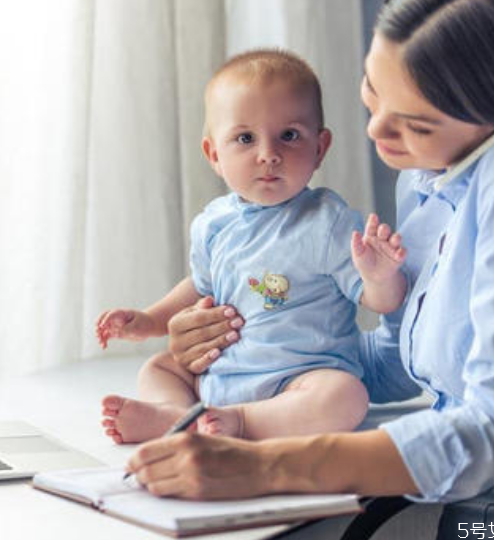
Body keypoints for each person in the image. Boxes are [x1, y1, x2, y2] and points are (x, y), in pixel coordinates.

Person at [124, 0, 494, 535]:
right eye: (372, 93)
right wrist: (260, 351)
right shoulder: (427, 177)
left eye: (416, 124)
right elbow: (407, 358)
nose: (376, 130)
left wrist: (265, 463)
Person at [95, 49, 407, 443]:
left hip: (296, 385)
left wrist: (380, 277)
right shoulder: (213, 223)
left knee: (346, 395)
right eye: (244, 138)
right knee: (158, 368)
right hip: (220, 374)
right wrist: (149, 321)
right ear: (214, 155)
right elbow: (199, 286)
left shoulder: (329, 222)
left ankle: (240, 422)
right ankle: (178, 417)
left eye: (289, 136)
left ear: (320, 148)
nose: (268, 155)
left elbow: (384, 302)